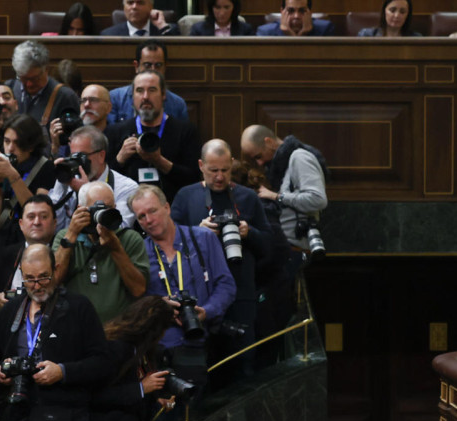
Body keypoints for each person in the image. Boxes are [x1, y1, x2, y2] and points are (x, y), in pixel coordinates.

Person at [0, 245, 111, 421]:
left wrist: (62, 371)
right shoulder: (10, 311)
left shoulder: (79, 307)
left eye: (43, 277)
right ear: (22, 274)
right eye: (30, 278)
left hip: (69, 419)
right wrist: (0, 371)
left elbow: (103, 363)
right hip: (22, 416)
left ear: (56, 269)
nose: (37, 285)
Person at [171, 139, 275, 379]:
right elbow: (168, 242)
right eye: (213, 170)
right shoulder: (186, 196)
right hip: (198, 295)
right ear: (200, 165)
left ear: (232, 165)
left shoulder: (248, 198)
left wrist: (250, 233)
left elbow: (269, 248)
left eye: (225, 170)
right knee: (199, 365)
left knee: (242, 363)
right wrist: (197, 230)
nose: (219, 177)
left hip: (241, 293)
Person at [134, 184, 235, 387]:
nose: (149, 220)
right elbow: (133, 300)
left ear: (167, 208)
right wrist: (158, 306)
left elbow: (226, 285)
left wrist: (206, 311)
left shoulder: (202, 238)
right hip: (163, 348)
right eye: (141, 216)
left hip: (205, 341)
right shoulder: (139, 253)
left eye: (152, 211)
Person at [91, 296, 175, 421]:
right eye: (162, 330)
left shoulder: (142, 349)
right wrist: (141, 388)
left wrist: (155, 400)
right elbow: (96, 395)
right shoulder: (114, 348)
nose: (162, 337)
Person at [52, 181, 149, 323]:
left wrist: (116, 249)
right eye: (96, 208)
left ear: (115, 208)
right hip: (76, 327)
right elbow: (53, 281)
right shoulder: (65, 237)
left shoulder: (129, 238)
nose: (103, 214)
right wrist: (72, 234)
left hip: (119, 330)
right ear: (81, 209)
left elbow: (139, 289)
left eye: (108, 208)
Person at [105, 71, 202, 201]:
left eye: (152, 90)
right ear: (132, 97)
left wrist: (159, 161)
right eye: (139, 90)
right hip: (128, 209)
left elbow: (194, 178)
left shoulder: (186, 131)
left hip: (173, 207)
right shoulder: (115, 131)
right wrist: (120, 159)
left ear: (163, 95)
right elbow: (103, 181)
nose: (145, 97)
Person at [240, 125, 328, 254]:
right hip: (286, 245)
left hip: (295, 247)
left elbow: (318, 200)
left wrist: (276, 196)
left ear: (269, 142)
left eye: (258, 156)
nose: (259, 163)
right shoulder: (280, 164)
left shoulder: (299, 158)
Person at [0, 113, 57, 249]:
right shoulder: (0, 165)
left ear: (31, 146)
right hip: (1, 240)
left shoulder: (45, 166)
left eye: (17, 143)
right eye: (7, 141)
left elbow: (38, 209)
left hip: (29, 241)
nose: (10, 148)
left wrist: (13, 176)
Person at [0, 195, 59, 320]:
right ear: (21, 224)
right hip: (11, 329)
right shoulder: (4, 256)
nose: (37, 222)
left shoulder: (63, 253)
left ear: (55, 223)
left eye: (44, 217)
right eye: (31, 217)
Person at [48, 125, 139, 231]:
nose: (77, 163)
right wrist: (61, 183)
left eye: (81, 156)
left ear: (101, 156)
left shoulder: (127, 187)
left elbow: (119, 228)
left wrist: (87, 191)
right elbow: (53, 229)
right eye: (73, 156)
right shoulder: (70, 183)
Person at [107, 40, 189, 125]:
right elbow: (111, 135)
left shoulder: (177, 104)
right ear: (136, 66)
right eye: (147, 65)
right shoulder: (115, 99)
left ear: (165, 67)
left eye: (158, 65)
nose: (153, 71)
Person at [7, 41, 79, 129]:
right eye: (24, 79)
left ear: (46, 69)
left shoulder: (65, 96)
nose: (29, 84)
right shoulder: (9, 89)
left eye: (35, 79)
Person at [48, 84, 112, 156]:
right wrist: (55, 146)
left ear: (108, 107)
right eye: (83, 100)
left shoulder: (117, 136)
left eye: (93, 100)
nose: (86, 105)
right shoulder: (71, 135)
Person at [255, 0, 334, 36]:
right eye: (291, 11)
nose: (296, 16)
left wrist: (302, 36)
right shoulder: (265, 32)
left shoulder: (325, 29)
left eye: (302, 11)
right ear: (282, 11)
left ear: (310, 12)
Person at [100, 0, 177, 36]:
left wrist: (161, 25)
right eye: (130, 3)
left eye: (140, 3)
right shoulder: (109, 35)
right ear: (124, 8)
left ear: (151, 7)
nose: (134, 7)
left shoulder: (167, 31)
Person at [190, 0, 255, 36]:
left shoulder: (246, 30)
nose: (222, 13)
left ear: (234, 8)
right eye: (217, 7)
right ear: (211, 8)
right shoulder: (198, 30)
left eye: (226, 7)